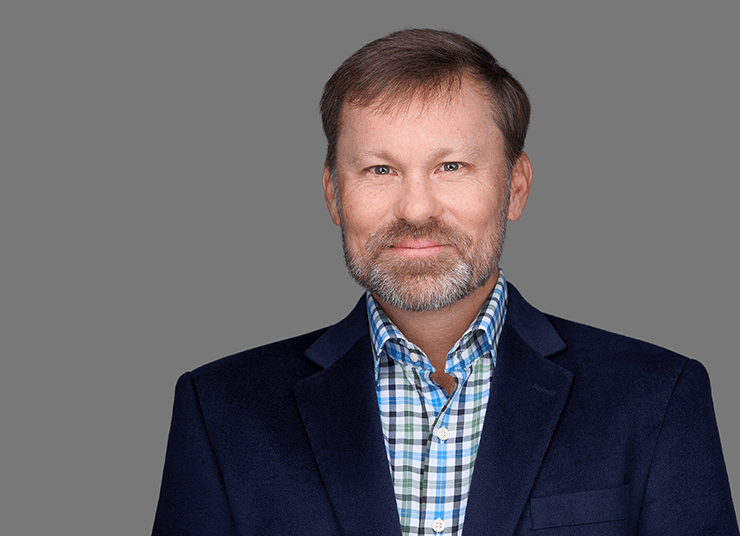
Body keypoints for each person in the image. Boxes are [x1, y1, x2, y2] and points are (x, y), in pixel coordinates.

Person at [152, 29, 738, 535]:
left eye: (451, 167)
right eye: (379, 169)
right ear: (334, 193)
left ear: (515, 187)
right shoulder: (222, 411)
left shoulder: (656, 399)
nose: (415, 208)